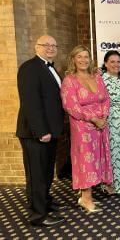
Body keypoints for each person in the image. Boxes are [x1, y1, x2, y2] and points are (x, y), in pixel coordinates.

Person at [16, 35, 65, 227]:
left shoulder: (50, 68)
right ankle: (38, 215)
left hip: (50, 131)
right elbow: (31, 103)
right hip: (36, 133)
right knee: (37, 174)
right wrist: (41, 131)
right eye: (46, 45)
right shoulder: (30, 68)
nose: (51, 48)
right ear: (37, 47)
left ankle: (43, 202)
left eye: (54, 45)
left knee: (44, 172)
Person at [61, 45, 112, 213]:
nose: (83, 60)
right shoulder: (70, 80)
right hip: (82, 128)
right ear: (73, 60)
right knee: (86, 161)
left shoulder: (97, 76)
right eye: (79, 57)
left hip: (101, 125)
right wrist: (93, 119)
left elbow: (105, 99)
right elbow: (71, 106)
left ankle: (89, 195)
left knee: (99, 158)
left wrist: (103, 117)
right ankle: (85, 198)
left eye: (86, 56)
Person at [101, 51, 120, 194]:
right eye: (112, 61)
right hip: (109, 119)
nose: (116, 64)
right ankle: (110, 186)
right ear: (106, 63)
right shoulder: (100, 79)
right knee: (111, 152)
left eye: (118, 61)